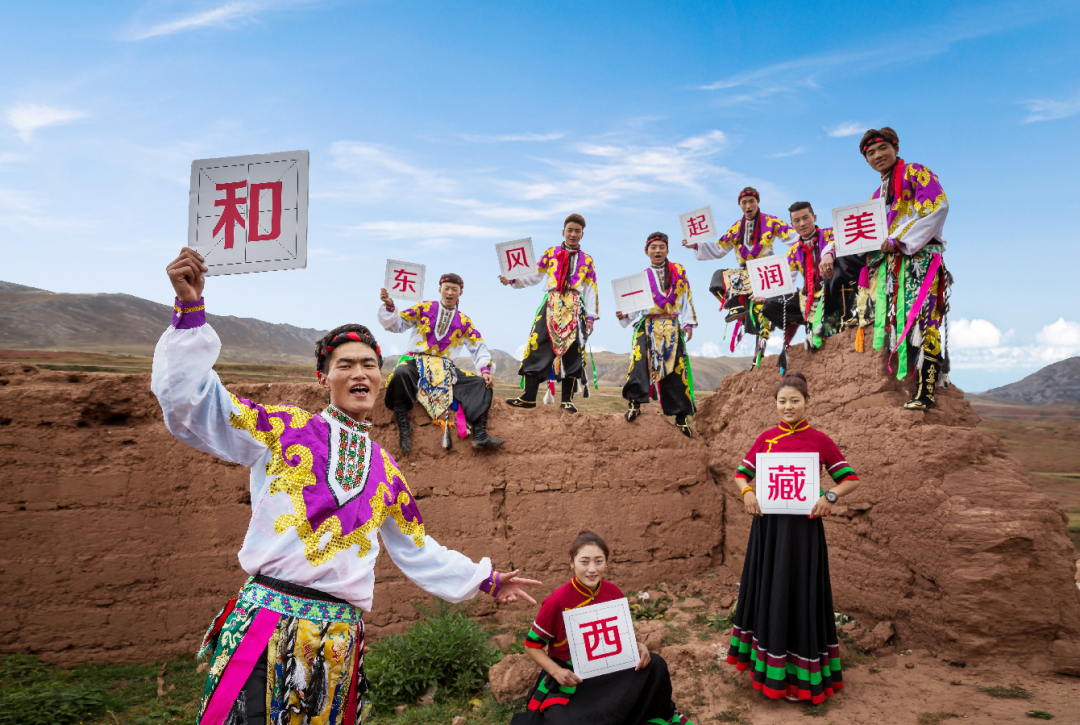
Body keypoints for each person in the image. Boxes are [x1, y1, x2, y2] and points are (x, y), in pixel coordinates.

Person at [152, 248, 540, 725]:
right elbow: (195, 406)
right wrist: (190, 311)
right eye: (345, 364)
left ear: (380, 377)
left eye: (369, 364)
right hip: (266, 631)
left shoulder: (386, 472)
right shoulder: (283, 429)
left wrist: (485, 579)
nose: (359, 373)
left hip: (337, 644)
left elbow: (417, 548)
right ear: (324, 378)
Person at [726, 373, 861, 705]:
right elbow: (741, 474)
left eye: (794, 400)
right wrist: (747, 493)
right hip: (768, 531)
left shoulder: (820, 440)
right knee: (769, 590)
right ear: (775, 404)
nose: (788, 406)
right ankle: (767, 669)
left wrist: (829, 497)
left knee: (799, 593)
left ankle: (800, 677)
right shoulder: (766, 439)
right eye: (782, 401)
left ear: (806, 402)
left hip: (804, 532)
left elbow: (850, 479)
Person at [512, 530, 693, 725]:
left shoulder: (613, 592)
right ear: (571, 562)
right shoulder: (557, 601)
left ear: (606, 562)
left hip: (610, 667)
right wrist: (556, 671)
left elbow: (622, 634)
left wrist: (637, 646)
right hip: (573, 677)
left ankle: (649, 714)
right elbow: (532, 645)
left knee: (656, 665)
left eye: (599, 561)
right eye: (584, 562)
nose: (592, 569)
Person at [856, 127, 951, 410]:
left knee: (924, 319)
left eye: (882, 148)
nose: (877, 156)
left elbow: (937, 207)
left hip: (920, 260)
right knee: (898, 321)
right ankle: (908, 384)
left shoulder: (917, 173)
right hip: (892, 266)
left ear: (895, 148)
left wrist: (899, 238)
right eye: (870, 153)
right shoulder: (877, 194)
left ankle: (927, 392)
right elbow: (864, 235)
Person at [378, 272, 504, 452]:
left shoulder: (464, 321)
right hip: (416, 361)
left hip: (446, 369)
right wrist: (390, 305)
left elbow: (478, 346)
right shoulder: (424, 308)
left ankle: (480, 434)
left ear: (460, 293)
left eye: (454, 289)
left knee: (481, 384)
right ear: (440, 290)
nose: (450, 292)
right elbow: (397, 324)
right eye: (447, 288)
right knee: (400, 373)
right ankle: (404, 425)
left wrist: (485, 370)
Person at [500, 214, 599, 413]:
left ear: (582, 234)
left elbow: (591, 289)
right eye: (570, 230)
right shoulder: (551, 253)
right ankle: (528, 397)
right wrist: (512, 279)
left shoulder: (587, 260)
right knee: (537, 344)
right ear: (563, 232)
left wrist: (590, 317)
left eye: (577, 231)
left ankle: (567, 400)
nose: (573, 234)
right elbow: (534, 275)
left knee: (573, 351)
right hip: (551, 304)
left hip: (575, 306)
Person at [761, 202, 867, 370]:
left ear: (814, 217)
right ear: (792, 225)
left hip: (833, 291)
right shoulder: (794, 251)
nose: (802, 223)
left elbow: (853, 247)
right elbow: (785, 281)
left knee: (838, 263)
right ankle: (809, 323)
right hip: (810, 298)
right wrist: (766, 294)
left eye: (805, 218)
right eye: (797, 220)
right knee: (769, 304)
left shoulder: (832, 234)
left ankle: (858, 310)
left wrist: (830, 253)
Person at [616, 232, 698, 437]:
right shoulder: (642, 277)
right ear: (647, 252)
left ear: (667, 250)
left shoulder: (679, 272)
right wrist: (625, 314)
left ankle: (680, 417)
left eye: (662, 247)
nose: (658, 251)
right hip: (648, 325)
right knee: (639, 363)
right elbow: (634, 308)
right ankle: (635, 404)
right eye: (653, 247)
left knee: (676, 368)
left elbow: (686, 297)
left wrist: (688, 323)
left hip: (672, 326)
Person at [682, 187, 797, 324]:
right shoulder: (735, 228)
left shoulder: (772, 222)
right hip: (745, 275)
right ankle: (735, 306)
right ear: (739, 205)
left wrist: (807, 242)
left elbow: (795, 238)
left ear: (758, 201)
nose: (748, 206)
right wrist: (695, 245)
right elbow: (719, 248)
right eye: (744, 202)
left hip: (765, 274)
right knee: (718, 277)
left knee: (762, 320)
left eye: (751, 201)